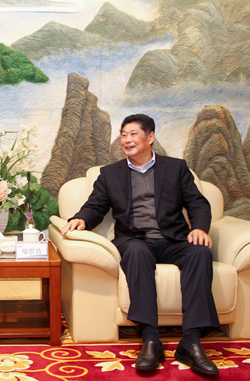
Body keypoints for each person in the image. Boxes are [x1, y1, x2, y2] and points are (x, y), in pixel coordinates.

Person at [61, 114, 220, 376]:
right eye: (124, 135)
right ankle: (150, 338)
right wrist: (81, 218)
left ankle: (191, 341)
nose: (127, 140)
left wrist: (200, 228)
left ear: (150, 137)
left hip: (173, 239)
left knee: (200, 252)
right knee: (136, 252)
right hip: (134, 239)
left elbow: (197, 203)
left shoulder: (176, 168)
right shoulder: (110, 174)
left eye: (134, 134)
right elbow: (95, 206)